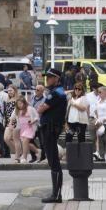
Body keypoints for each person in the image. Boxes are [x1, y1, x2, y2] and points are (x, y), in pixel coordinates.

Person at [38, 67, 67, 204]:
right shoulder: (56, 91)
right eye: (47, 77)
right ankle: (56, 194)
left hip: (50, 128)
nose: (47, 79)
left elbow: (41, 108)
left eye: (50, 77)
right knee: (52, 161)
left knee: (54, 162)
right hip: (50, 128)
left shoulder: (56, 93)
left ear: (56, 78)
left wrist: (42, 108)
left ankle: (56, 195)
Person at [10, 97, 39, 163]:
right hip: (22, 129)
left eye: (21, 103)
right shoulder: (16, 110)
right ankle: (38, 151)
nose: (19, 105)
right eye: (18, 104)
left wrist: (32, 121)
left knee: (25, 141)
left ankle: (24, 157)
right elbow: (12, 118)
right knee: (25, 143)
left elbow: (36, 117)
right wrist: (11, 125)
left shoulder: (30, 109)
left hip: (30, 128)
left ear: (24, 103)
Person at [3, 83, 19, 159]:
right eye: (8, 91)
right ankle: (18, 151)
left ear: (15, 91)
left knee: (15, 139)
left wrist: (13, 121)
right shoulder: (8, 100)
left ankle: (17, 155)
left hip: (15, 121)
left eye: (11, 90)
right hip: (8, 121)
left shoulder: (17, 100)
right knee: (6, 138)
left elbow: (17, 111)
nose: (9, 92)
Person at [32, 84, 46, 162]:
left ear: (42, 91)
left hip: (40, 123)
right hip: (32, 124)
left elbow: (40, 110)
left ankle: (42, 157)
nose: (36, 91)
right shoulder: (32, 98)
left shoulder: (45, 99)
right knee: (29, 140)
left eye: (38, 90)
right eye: (35, 89)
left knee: (42, 141)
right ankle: (34, 155)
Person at [93, 86, 106, 161]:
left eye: (100, 92)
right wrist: (96, 119)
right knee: (98, 137)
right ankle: (98, 153)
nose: (98, 93)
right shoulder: (98, 101)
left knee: (103, 138)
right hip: (99, 122)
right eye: (98, 92)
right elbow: (95, 112)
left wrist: (103, 120)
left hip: (104, 122)